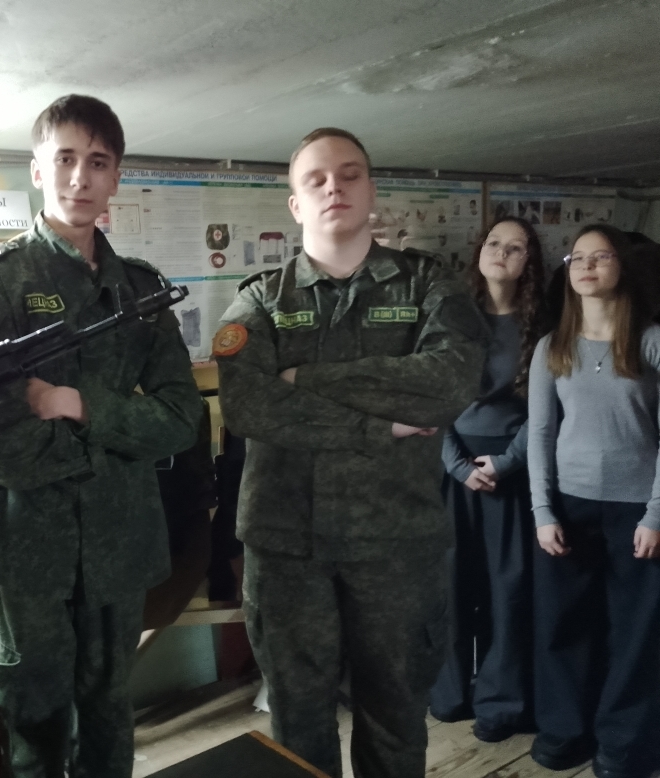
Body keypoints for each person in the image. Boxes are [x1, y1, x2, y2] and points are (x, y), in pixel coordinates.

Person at [214, 127, 487, 778]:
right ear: (296, 204)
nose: (334, 187)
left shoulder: (428, 287)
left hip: (396, 544)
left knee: (395, 716)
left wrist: (304, 380)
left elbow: (447, 385)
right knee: (297, 723)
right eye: (316, 179)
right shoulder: (260, 300)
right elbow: (249, 405)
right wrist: (377, 425)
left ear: (371, 191)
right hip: (287, 547)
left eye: (350, 174)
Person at [0, 94, 202, 778]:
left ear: (116, 177)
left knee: (110, 712)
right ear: (38, 171)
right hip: (28, 546)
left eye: (98, 162)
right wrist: (121, 439)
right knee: (36, 722)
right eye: (64, 160)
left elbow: (182, 418)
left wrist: (77, 405)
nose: (80, 178)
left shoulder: (139, 290)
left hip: (119, 541)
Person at [528, 224, 660, 778]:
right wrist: (542, 512)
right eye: (576, 257)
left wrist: (656, 513)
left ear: (622, 267)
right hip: (568, 507)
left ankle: (622, 746)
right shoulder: (552, 346)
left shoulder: (651, 341)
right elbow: (540, 434)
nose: (585, 265)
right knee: (563, 626)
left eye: (600, 256)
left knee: (634, 635)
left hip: (638, 512)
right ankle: (564, 731)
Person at [430, 217, 547, 740]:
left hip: (512, 470)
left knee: (508, 590)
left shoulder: (542, 326)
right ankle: (450, 693)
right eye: (494, 243)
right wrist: (457, 465)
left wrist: (507, 462)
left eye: (515, 247)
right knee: (452, 586)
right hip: (452, 467)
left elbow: (545, 413)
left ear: (528, 263)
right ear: (479, 253)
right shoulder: (451, 318)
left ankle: (501, 703)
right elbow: (431, 401)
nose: (502, 252)